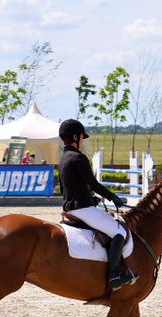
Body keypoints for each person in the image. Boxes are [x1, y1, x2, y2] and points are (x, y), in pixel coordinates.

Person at [58, 119, 138, 290]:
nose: (83, 140)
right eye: (82, 137)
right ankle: (114, 275)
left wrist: (89, 198)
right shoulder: (79, 157)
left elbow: (64, 188)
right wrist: (112, 197)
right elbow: (93, 184)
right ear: (75, 136)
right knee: (119, 232)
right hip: (82, 209)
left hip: (71, 209)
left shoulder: (63, 158)